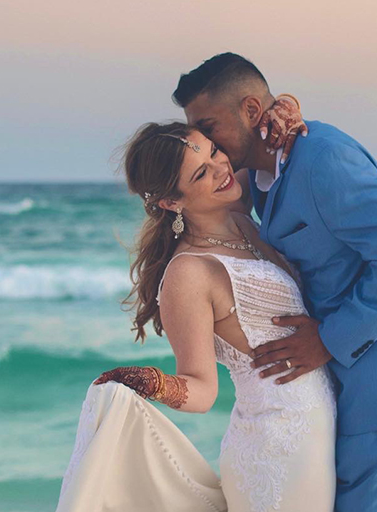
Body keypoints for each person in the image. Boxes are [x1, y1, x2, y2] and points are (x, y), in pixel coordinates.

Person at [173, 52, 377, 512]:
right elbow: (195, 188)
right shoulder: (262, 169)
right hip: (335, 392)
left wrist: (329, 339)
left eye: (209, 127)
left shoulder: (325, 160)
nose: (206, 143)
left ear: (249, 111)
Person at [56, 109, 339, 511]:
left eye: (213, 153)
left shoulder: (236, 210)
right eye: (200, 174)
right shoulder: (189, 272)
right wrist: (151, 381)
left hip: (314, 438)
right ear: (172, 201)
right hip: (277, 451)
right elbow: (203, 390)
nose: (220, 169)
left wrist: (284, 108)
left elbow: (250, 141)